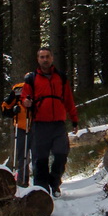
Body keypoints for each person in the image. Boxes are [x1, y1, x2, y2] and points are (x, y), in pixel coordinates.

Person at [20, 47, 79, 197]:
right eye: (42, 57)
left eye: (47, 57)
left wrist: (74, 119)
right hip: (39, 124)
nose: (45, 59)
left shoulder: (61, 77)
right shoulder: (31, 79)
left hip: (58, 124)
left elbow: (68, 100)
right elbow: (24, 96)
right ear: (38, 60)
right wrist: (25, 102)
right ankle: (41, 192)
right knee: (40, 159)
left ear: (52, 58)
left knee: (61, 154)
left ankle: (54, 181)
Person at [0, 81, 31, 187]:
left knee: (38, 155)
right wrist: (13, 111)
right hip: (21, 127)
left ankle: (41, 182)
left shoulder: (41, 88)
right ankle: (23, 181)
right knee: (22, 155)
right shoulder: (17, 90)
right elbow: (5, 108)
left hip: (37, 127)